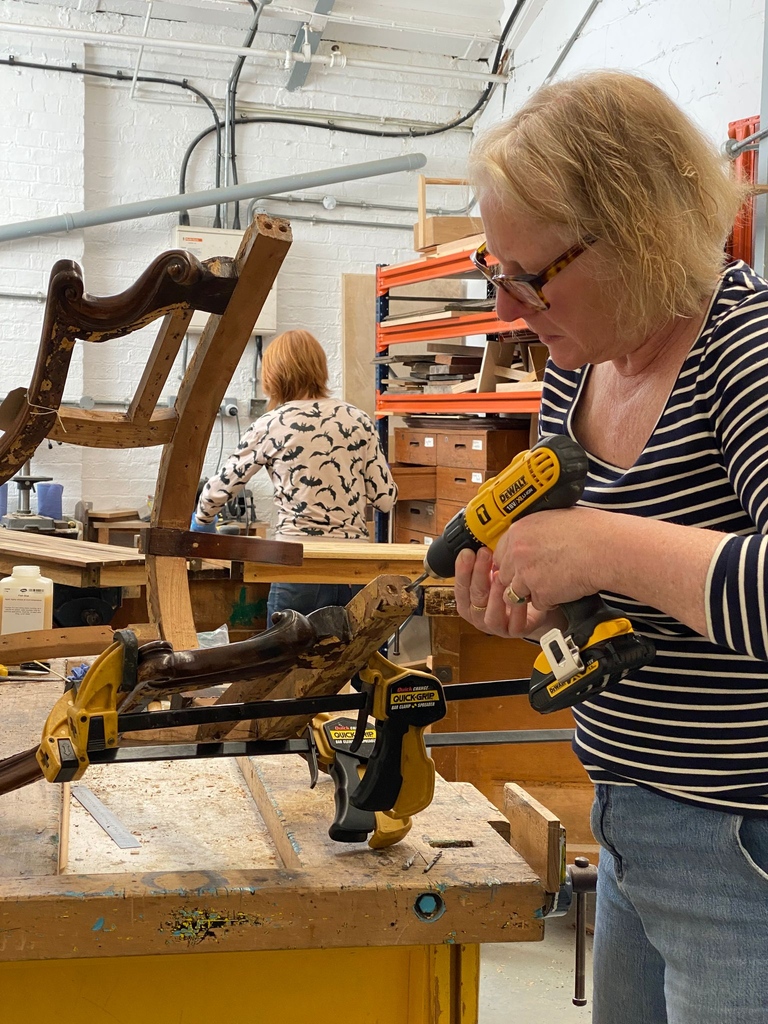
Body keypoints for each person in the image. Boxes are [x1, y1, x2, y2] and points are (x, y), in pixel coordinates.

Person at [456, 69, 768, 1023]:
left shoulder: (743, 349)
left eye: (530, 276)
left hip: (741, 852)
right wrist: (544, 609)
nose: (509, 309)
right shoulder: (576, 368)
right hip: (625, 821)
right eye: (494, 270)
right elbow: (630, 606)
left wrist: (597, 544)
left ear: (635, 232)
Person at [192, 328, 396, 621]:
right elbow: (386, 500)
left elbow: (219, 489)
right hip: (353, 566)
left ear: (273, 376)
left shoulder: (272, 423)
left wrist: (202, 522)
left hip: (300, 559)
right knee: (348, 661)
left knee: (286, 659)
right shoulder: (358, 420)